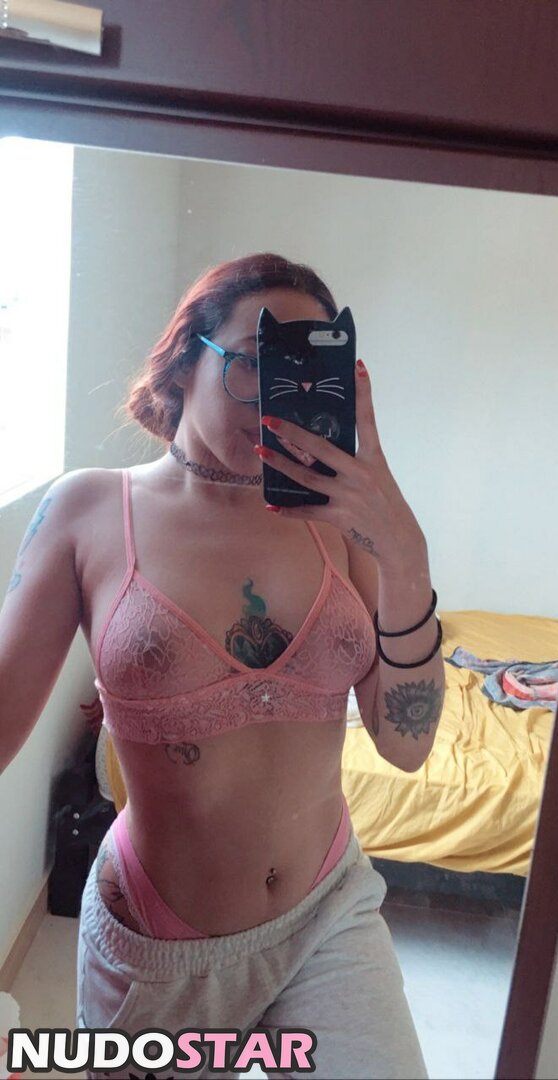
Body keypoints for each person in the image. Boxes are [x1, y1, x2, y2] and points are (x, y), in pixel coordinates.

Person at [1, 252, 445, 1079]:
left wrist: (404, 551)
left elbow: (407, 744)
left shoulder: (343, 523)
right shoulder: (90, 510)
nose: (279, 397)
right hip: (160, 946)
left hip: (329, 911)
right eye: (253, 364)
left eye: (307, 373)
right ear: (184, 360)